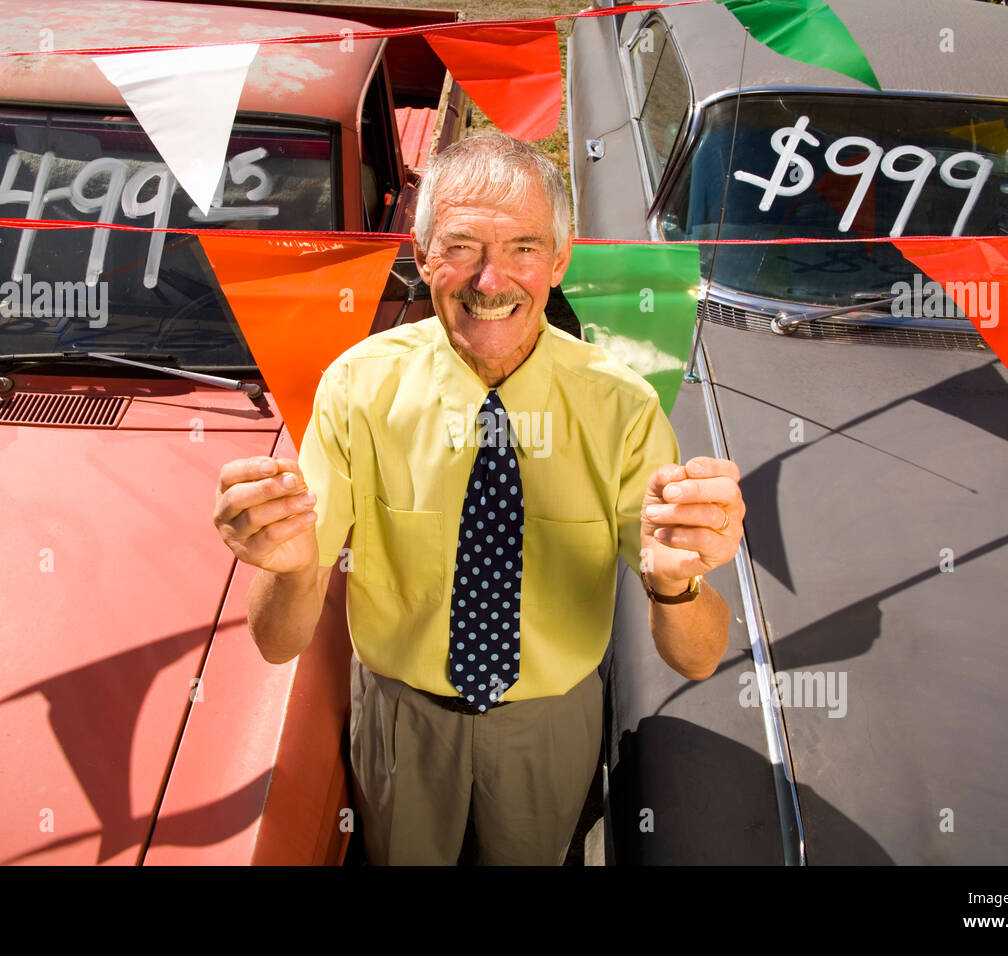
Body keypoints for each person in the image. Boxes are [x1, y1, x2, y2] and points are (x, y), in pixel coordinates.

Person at [213, 131, 744, 865]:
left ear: (559, 260)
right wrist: (284, 565)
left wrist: (679, 583)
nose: (491, 281)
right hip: (401, 720)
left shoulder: (621, 407)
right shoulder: (357, 389)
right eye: (461, 246)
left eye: (525, 248)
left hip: (550, 725)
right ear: (423, 251)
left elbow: (696, 659)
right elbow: (278, 642)